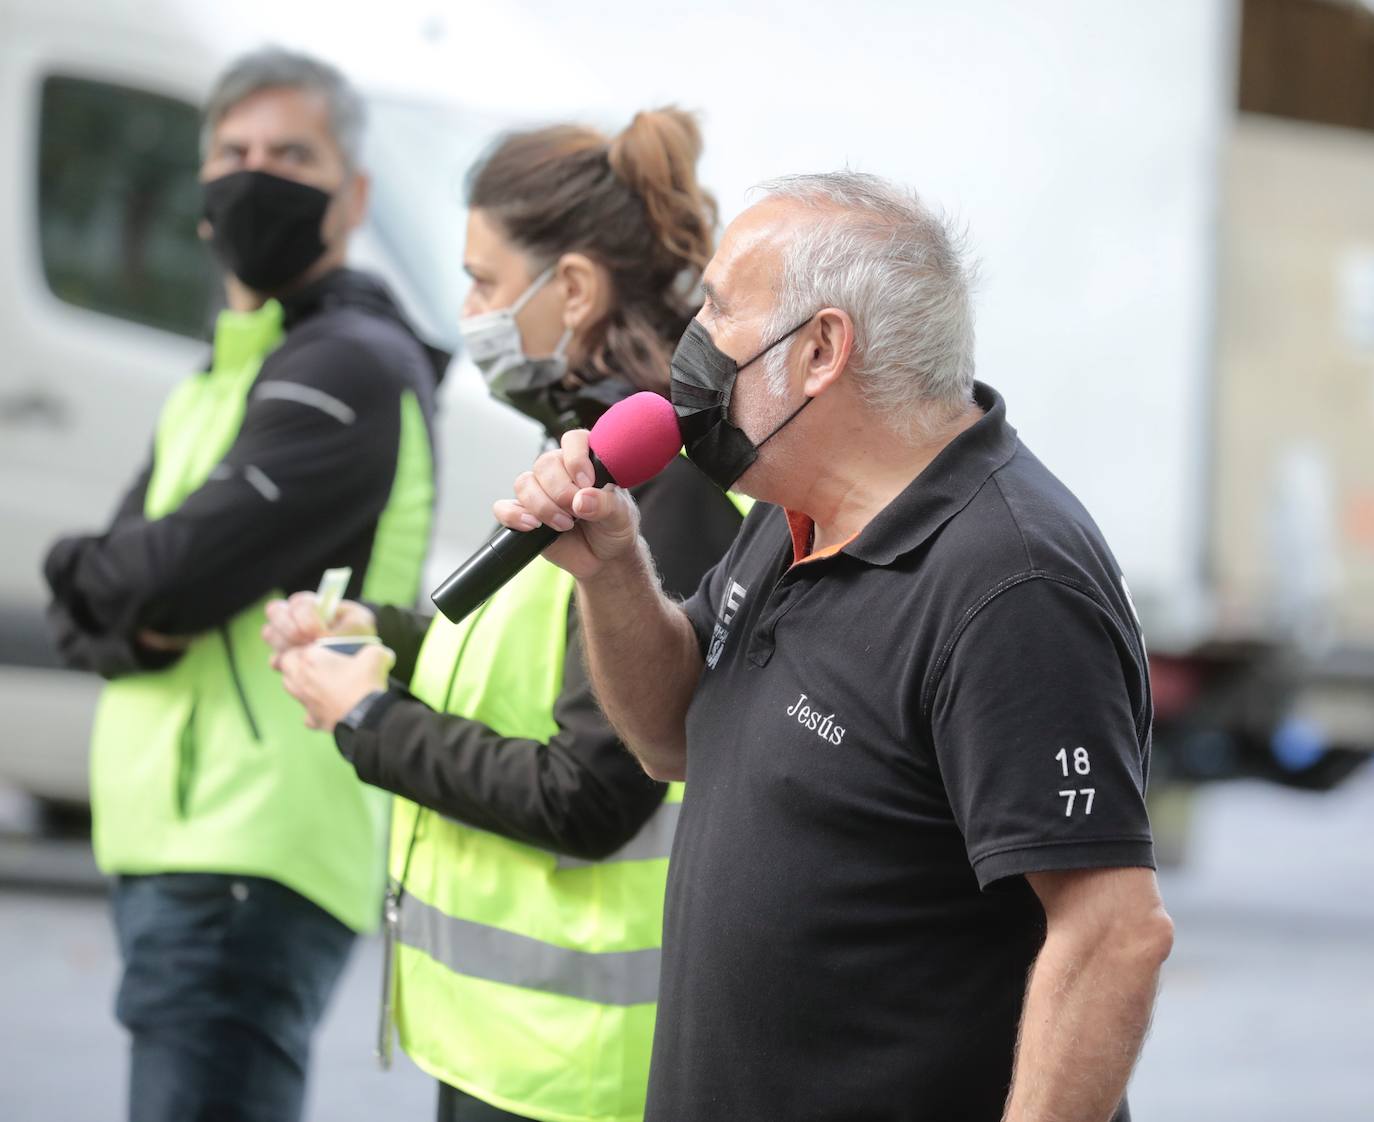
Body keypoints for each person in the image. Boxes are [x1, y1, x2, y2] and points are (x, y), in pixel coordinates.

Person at [492, 171, 1175, 1122]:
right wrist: (610, 572)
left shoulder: (1013, 583)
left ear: (821, 350)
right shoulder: (794, 508)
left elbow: (1113, 934)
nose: (692, 346)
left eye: (720, 312)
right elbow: (670, 739)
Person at [262, 110, 744, 1122]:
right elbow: (513, 655)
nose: (468, 306)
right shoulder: (587, 457)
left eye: (485, 281)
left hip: (578, 1072)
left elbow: (592, 793)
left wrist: (368, 718)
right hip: (513, 1053)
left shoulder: (666, 495)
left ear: (572, 291)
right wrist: (376, 632)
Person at [42, 48, 442, 1122]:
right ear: (204, 189)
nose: (257, 173)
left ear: (352, 195)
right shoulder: (230, 367)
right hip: (175, 838)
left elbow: (160, 571)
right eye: (235, 151)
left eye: (293, 153)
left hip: (253, 844)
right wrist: (122, 607)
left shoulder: (350, 363)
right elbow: (112, 606)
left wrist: (96, 580)